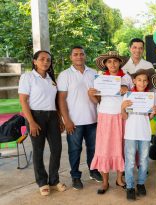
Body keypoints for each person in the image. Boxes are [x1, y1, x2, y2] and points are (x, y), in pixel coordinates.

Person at [18, 50, 66, 196]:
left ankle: (53, 180)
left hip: (52, 116)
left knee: (56, 149)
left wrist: (59, 119)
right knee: (38, 150)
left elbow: (54, 102)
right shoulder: (28, 77)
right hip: (35, 116)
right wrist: (31, 122)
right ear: (34, 61)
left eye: (48, 60)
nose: (45, 62)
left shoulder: (50, 79)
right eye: (42, 59)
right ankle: (42, 182)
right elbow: (23, 100)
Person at [57, 46, 102, 190]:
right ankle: (75, 176)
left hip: (93, 119)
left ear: (85, 56)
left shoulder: (94, 73)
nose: (79, 57)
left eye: (81, 54)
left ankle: (93, 171)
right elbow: (61, 99)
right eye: (75, 54)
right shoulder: (65, 75)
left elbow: (99, 96)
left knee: (93, 148)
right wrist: (67, 120)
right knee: (74, 150)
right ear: (71, 57)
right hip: (74, 121)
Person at [88, 51, 129, 194]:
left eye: (115, 61)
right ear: (105, 64)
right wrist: (91, 95)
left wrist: (127, 90)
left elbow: (132, 97)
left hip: (121, 116)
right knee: (103, 148)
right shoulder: (100, 79)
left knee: (120, 146)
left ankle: (119, 179)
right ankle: (105, 182)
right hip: (105, 116)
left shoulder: (126, 78)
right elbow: (97, 101)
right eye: (109, 62)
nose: (112, 64)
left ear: (119, 63)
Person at [121, 68, 156, 200]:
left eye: (144, 80)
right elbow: (124, 117)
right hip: (130, 133)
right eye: (139, 80)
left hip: (145, 133)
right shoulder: (128, 95)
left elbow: (150, 117)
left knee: (143, 161)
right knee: (130, 162)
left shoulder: (150, 97)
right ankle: (130, 186)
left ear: (147, 82)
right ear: (134, 81)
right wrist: (122, 107)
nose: (142, 83)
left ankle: (141, 183)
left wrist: (153, 112)